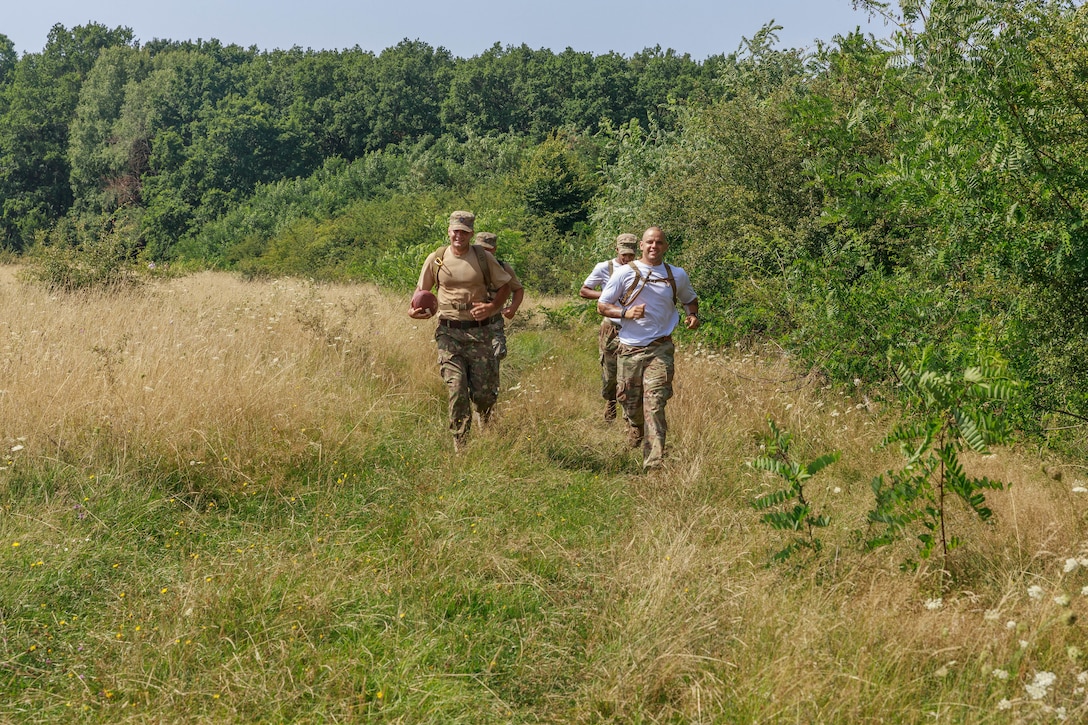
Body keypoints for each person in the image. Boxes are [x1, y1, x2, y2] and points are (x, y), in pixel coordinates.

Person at [597, 226, 699, 470]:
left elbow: (689, 299)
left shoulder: (677, 275)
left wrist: (692, 315)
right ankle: (636, 428)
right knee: (628, 401)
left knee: (654, 403)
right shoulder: (623, 274)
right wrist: (625, 313)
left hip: (660, 348)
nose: (654, 246)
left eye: (659, 242)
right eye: (649, 242)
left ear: (665, 246)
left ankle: (654, 463)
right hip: (629, 348)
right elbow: (603, 306)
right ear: (641, 246)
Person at [410, 211, 511, 451]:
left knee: (484, 394)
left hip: (481, 333)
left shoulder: (484, 258)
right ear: (449, 231)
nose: (459, 236)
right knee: (456, 387)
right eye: (455, 231)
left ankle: (484, 416)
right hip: (449, 332)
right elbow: (420, 292)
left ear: (471, 234)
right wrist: (413, 311)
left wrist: (492, 307)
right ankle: (460, 445)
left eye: (464, 232)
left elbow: (506, 286)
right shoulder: (437, 258)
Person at [580, 233, 639, 421]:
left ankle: (629, 415)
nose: (627, 258)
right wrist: (605, 296)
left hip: (633, 327)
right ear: (617, 250)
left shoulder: (641, 269)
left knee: (631, 371)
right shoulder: (604, 268)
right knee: (610, 370)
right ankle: (610, 400)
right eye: (624, 255)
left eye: (631, 255)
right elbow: (584, 290)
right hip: (611, 327)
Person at [473, 232, 523, 364]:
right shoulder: (467, 265)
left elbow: (518, 289)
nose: (485, 253)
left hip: (493, 323)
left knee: (495, 356)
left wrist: (512, 308)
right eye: (481, 249)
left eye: (488, 249)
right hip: (469, 323)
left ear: (494, 249)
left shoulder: (503, 267)